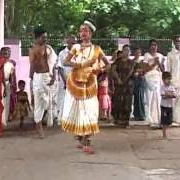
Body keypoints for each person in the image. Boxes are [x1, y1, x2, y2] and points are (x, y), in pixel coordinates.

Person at [61, 20, 107, 154]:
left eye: (86, 30)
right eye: (81, 31)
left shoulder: (97, 49)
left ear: (91, 33)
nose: (83, 33)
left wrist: (99, 70)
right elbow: (66, 62)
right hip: (76, 84)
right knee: (78, 111)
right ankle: (82, 139)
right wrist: (83, 64)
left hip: (90, 84)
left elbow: (107, 64)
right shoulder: (75, 47)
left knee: (90, 111)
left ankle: (86, 139)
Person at [29, 27, 57, 138]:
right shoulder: (32, 49)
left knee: (48, 102)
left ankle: (40, 120)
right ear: (37, 37)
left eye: (46, 37)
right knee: (38, 103)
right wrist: (31, 79)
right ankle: (38, 125)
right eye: (43, 37)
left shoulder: (48, 48)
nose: (45, 39)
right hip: (37, 77)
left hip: (47, 76)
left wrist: (54, 77)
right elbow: (32, 65)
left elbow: (53, 63)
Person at [111, 44, 135, 128]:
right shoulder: (118, 61)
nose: (127, 52)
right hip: (119, 85)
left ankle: (126, 121)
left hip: (128, 85)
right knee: (118, 102)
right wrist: (118, 79)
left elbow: (133, 72)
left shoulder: (132, 62)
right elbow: (113, 70)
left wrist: (127, 79)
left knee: (127, 102)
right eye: (125, 50)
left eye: (128, 50)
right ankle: (117, 120)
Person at [144, 39, 165, 129]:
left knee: (158, 99)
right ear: (149, 47)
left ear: (157, 46)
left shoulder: (160, 56)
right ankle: (150, 120)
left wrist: (159, 62)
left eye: (155, 45)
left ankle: (158, 120)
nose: (153, 47)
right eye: (152, 45)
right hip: (149, 78)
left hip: (157, 78)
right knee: (150, 99)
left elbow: (163, 69)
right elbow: (146, 69)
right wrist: (154, 63)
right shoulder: (146, 55)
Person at [55, 35, 77, 124]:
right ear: (67, 43)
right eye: (72, 43)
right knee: (63, 99)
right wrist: (66, 82)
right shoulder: (62, 53)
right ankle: (62, 119)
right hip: (64, 81)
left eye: (75, 43)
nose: (73, 44)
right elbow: (60, 68)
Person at [1, 47, 17, 126]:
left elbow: (12, 76)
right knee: (0, 103)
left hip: (7, 85)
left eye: (7, 53)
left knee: (6, 102)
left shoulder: (11, 65)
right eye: (4, 53)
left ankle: (5, 120)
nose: (5, 55)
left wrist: (11, 85)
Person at [132, 47, 147, 121]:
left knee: (140, 97)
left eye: (138, 52)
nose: (137, 54)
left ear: (140, 53)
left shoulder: (142, 61)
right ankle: (136, 114)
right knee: (136, 98)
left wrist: (139, 72)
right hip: (134, 81)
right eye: (136, 52)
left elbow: (145, 71)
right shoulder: (132, 61)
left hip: (141, 81)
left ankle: (141, 115)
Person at [160, 72, 176, 139]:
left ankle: (166, 127)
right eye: (167, 79)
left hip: (170, 106)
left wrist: (169, 94)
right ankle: (164, 133)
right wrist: (169, 95)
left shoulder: (172, 87)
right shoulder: (162, 87)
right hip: (164, 106)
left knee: (169, 121)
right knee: (164, 120)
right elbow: (163, 96)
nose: (169, 81)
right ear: (163, 80)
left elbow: (174, 95)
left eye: (170, 79)